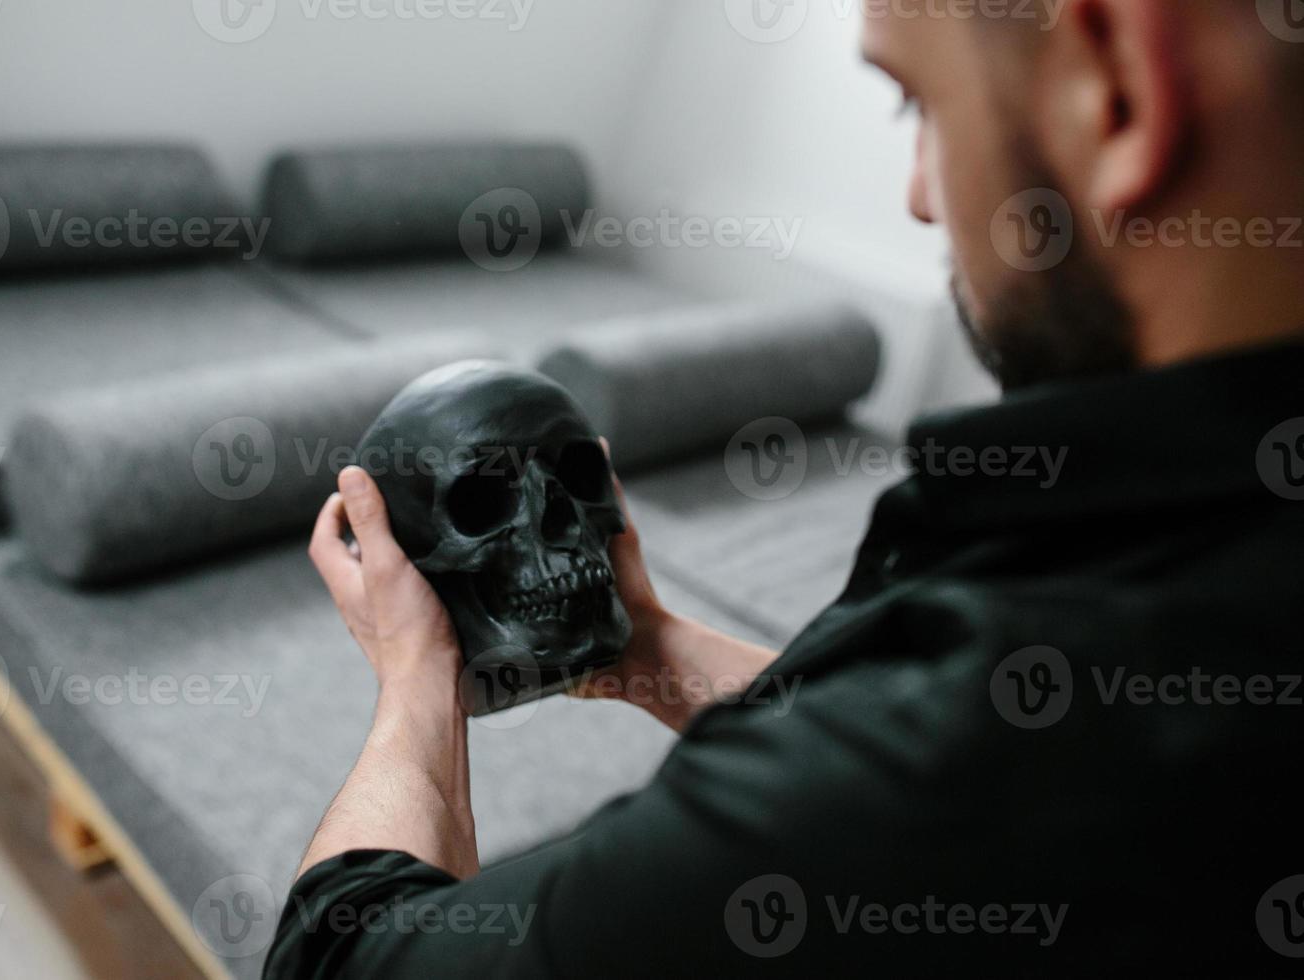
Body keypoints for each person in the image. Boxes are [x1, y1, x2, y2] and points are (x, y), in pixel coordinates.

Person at [264, 1, 1304, 975]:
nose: (918, 193)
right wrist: (642, 644)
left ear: (1115, 83)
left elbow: (348, 952)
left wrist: (415, 683)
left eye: (918, 101)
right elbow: (875, 702)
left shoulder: (942, 773)